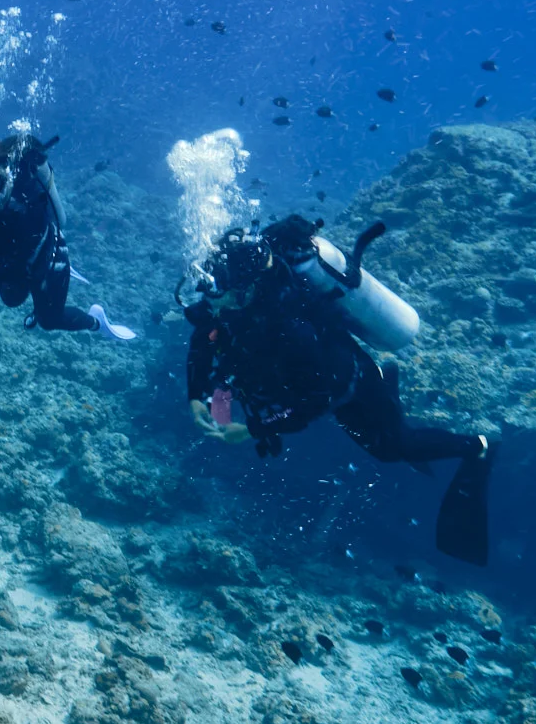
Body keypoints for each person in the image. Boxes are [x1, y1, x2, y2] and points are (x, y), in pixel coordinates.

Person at [182, 217, 493, 564]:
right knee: (384, 446)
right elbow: (203, 342)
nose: (212, 306)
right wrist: (197, 395)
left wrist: (253, 429)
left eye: (218, 297)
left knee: (394, 447)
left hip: (350, 386)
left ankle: (476, 447)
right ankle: (392, 381)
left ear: (243, 290)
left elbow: (314, 401)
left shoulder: (289, 327)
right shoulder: (229, 305)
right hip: (316, 387)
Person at [0, 130, 136, 365]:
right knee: (12, 299)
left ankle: (97, 322)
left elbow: (16, 266)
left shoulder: (28, 201)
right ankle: (38, 299)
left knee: (49, 320)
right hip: (8, 260)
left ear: (8, 177)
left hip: (46, 258)